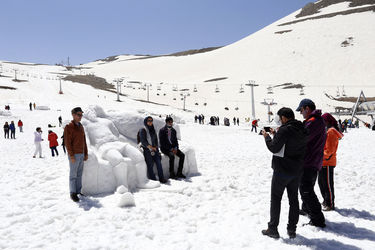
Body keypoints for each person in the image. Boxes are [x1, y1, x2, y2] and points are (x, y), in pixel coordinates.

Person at [261, 107, 307, 239]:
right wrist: (277, 135)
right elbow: (291, 144)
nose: (280, 121)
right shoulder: (302, 128)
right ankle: (292, 229)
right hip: (297, 170)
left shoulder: (285, 130)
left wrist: (267, 137)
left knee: (276, 199)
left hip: (282, 170)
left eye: (280, 118)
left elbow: (274, 147)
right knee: (294, 200)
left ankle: (273, 228)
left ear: (284, 118)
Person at [296, 99, 326, 228]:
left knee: (306, 190)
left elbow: (302, 138)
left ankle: (317, 219)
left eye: (301, 110)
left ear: (307, 108)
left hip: (309, 161)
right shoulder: (316, 120)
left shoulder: (313, 122)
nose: (301, 113)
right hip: (313, 160)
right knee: (306, 188)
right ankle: (307, 209)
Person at [318, 113, 343, 212]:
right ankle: (326, 200)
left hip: (327, 162)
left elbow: (329, 150)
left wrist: (320, 155)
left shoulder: (331, 132)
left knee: (327, 184)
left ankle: (330, 204)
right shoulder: (328, 130)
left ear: (327, 121)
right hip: (323, 161)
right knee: (321, 183)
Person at [64, 107, 88, 202]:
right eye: (78, 114)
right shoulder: (69, 126)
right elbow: (67, 143)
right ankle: (73, 193)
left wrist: (85, 153)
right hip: (74, 155)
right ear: (73, 115)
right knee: (73, 175)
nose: (80, 116)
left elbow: (84, 141)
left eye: (81, 115)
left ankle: (78, 191)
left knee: (79, 174)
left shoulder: (81, 126)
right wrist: (71, 155)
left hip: (81, 154)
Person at [139, 116, 166, 183]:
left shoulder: (153, 129)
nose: (150, 122)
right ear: (146, 121)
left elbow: (156, 140)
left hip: (155, 150)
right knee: (150, 165)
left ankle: (161, 178)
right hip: (147, 150)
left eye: (151, 120)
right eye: (149, 120)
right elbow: (143, 141)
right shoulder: (143, 130)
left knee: (159, 163)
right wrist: (151, 147)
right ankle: (153, 179)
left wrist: (156, 148)